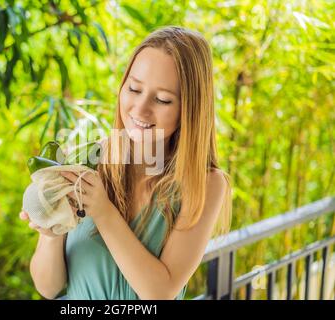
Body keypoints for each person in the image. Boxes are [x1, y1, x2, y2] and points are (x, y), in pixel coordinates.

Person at [20, 26, 232, 300]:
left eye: (162, 99)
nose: (140, 109)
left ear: (189, 109)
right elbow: (49, 288)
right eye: (133, 88)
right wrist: (51, 234)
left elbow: (159, 293)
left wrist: (103, 211)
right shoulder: (88, 160)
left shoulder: (205, 183)